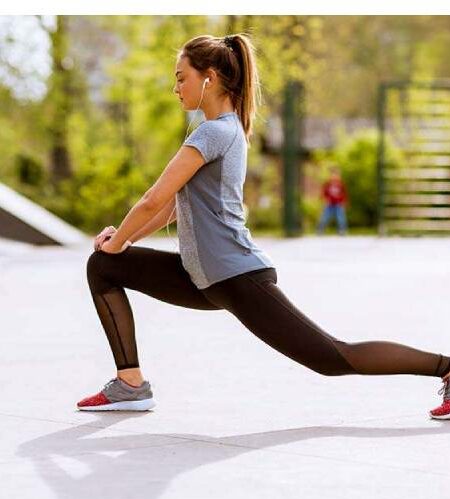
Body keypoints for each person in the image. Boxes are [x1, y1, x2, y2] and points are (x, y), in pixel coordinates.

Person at [78, 33, 450, 420]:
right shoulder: (223, 131)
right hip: (203, 277)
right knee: (104, 266)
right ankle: (131, 384)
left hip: (237, 277)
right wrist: (121, 242)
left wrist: (118, 241)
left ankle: (446, 366)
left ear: (209, 78)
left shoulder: (214, 132)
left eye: (181, 78)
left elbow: (152, 199)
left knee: (333, 358)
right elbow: (171, 206)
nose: (176, 88)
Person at [317, 167, 348, 236]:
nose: (335, 176)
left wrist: (344, 202)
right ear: (330, 176)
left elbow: (344, 194)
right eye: (333, 175)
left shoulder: (341, 184)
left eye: (336, 175)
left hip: (338, 204)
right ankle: (320, 230)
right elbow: (323, 193)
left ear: (339, 176)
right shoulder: (327, 184)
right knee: (324, 217)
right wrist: (324, 199)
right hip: (329, 204)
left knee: (341, 218)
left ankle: (342, 230)